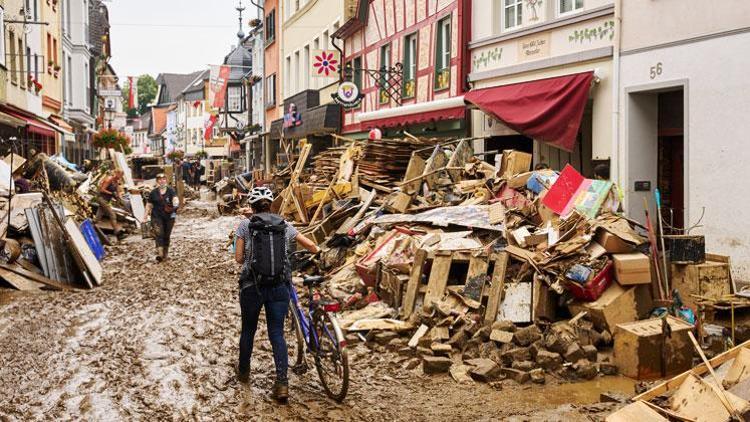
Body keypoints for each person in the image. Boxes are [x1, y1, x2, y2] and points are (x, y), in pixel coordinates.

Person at [234, 186, 321, 402]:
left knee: (248, 330)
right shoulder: (285, 225)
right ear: (271, 204)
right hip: (280, 286)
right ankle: (282, 383)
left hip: (251, 286)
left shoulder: (245, 225)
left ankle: (244, 371)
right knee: (277, 333)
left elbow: (237, 258)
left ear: (252, 206)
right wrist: (319, 252)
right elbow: (311, 246)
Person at [145, 173, 178, 262]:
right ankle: (160, 254)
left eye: (163, 179)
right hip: (156, 216)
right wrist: (145, 216)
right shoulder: (153, 192)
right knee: (159, 234)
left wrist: (174, 210)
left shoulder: (171, 191)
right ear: (157, 181)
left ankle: (165, 253)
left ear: (166, 180)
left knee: (166, 235)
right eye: (159, 179)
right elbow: (149, 204)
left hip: (169, 217)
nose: (162, 181)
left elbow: (175, 202)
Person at [96, 169, 124, 236]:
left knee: (98, 217)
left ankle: (92, 225)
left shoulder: (116, 182)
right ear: (116, 173)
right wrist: (111, 193)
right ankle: (116, 232)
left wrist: (119, 199)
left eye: (122, 175)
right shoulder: (109, 179)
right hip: (102, 199)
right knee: (112, 214)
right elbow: (102, 189)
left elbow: (117, 192)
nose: (121, 177)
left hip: (107, 200)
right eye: (120, 175)